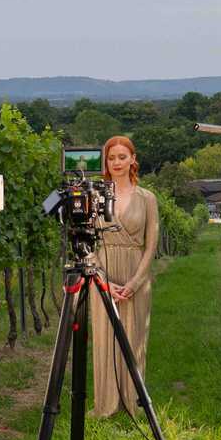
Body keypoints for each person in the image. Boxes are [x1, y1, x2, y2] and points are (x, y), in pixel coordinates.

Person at [89, 135, 160, 418]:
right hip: (102, 273)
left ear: (133, 159)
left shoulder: (147, 199)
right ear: (105, 161)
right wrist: (103, 281)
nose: (117, 162)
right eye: (111, 157)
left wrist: (134, 283)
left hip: (135, 273)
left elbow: (151, 245)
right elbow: (87, 243)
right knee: (105, 337)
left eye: (122, 156)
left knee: (135, 336)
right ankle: (106, 404)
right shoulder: (94, 196)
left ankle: (133, 402)